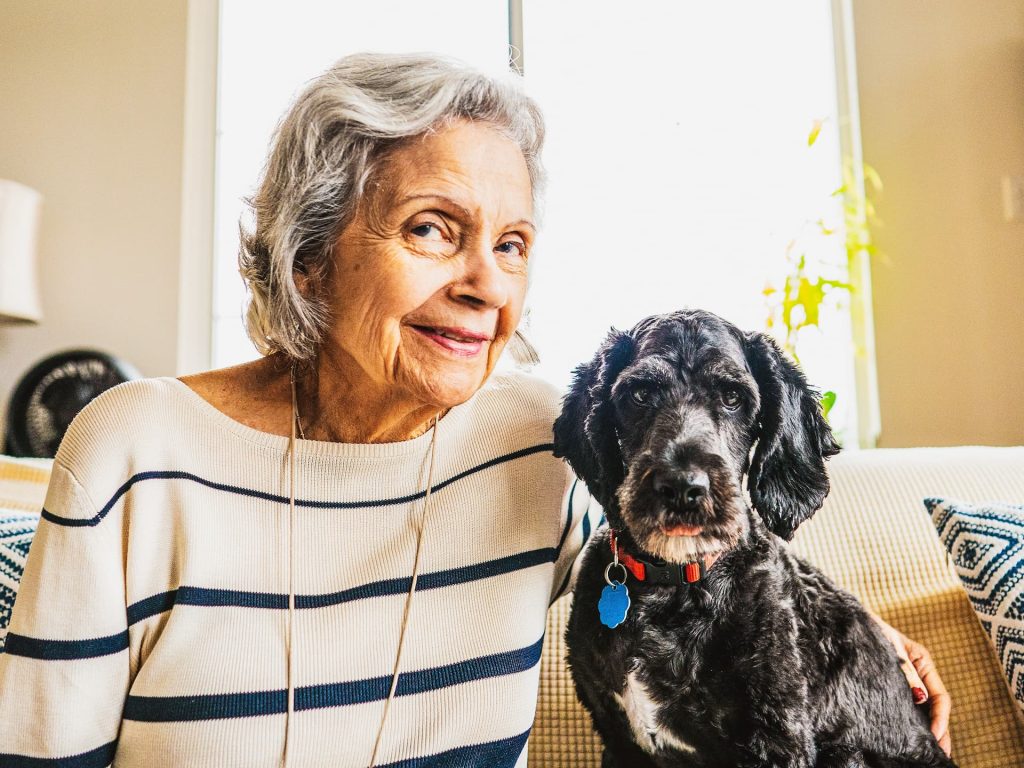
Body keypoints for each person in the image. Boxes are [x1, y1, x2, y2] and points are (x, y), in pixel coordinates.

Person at [0, 52, 949, 767]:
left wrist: (868, 645)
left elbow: (699, 534)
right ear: (311, 255)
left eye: (514, 245)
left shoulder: (534, 441)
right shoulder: (131, 450)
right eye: (431, 229)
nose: (485, 285)